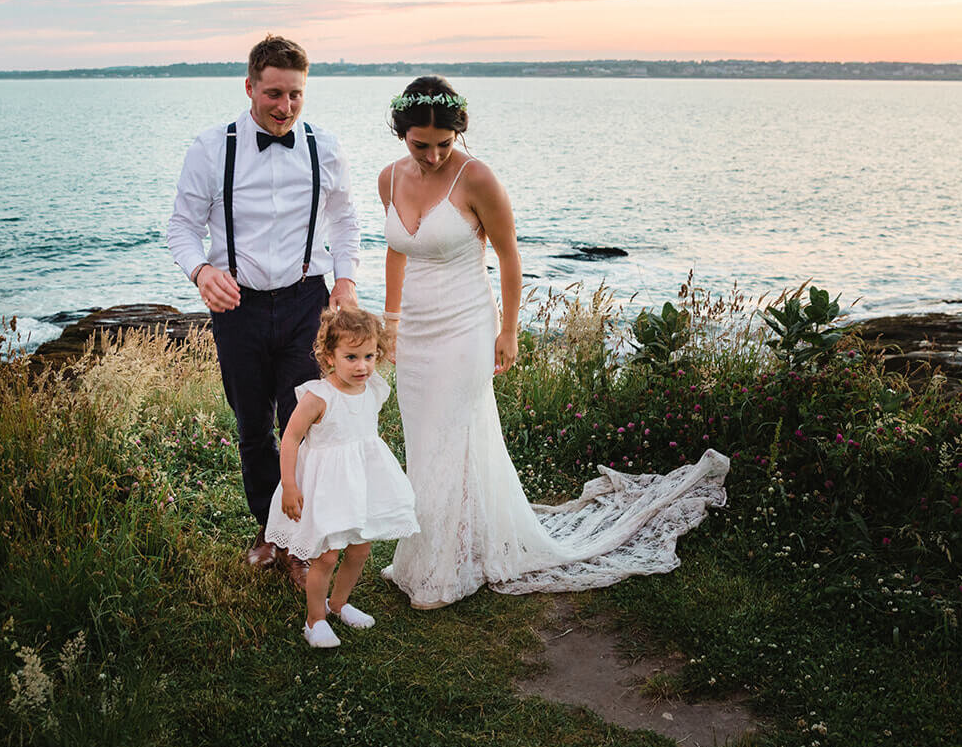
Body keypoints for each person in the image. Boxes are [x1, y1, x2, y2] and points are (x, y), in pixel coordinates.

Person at [377, 76, 729, 609]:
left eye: (444, 143)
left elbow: (510, 258)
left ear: (459, 133)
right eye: (420, 144)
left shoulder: (477, 179)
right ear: (401, 133)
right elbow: (398, 251)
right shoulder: (389, 178)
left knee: (451, 434)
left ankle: (445, 571)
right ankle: (429, 551)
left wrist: (509, 330)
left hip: (466, 327)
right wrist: (391, 320)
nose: (432, 155)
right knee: (425, 438)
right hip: (418, 330)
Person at [167, 35, 361, 587]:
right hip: (240, 308)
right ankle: (268, 530)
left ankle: (301, 541)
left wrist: (344, 280)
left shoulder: (325, 147)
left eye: (296, 95)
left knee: (305, 423)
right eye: (273, 94)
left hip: (307, 301)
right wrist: (202, 273)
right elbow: (181, 227)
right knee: (253, 426)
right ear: (249, 87)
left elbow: (345, 220)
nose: (285, 106)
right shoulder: (211, 148)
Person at [265, 307, 420, 647]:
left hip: (359, 484)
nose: (362, 365)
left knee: (360, 550)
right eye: (351, 356)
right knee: (326, 556)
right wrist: (290, 485)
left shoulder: (373, 389)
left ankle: (339, 603)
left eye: (368, 355)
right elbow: (290, 438)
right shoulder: (318, 397)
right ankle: (314, 620)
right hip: (325, 488)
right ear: (328, 356)